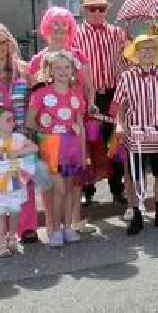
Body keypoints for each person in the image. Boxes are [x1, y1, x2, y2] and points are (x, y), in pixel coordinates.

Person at [113, 34, 158, 234]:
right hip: (136, 134)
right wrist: (119, 125)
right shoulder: (126, 77)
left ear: (156, 54)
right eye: (143, 49)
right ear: (136, 53)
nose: (147, 52)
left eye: (151, 49)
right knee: (136, 176)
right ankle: (137, 215)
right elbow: (121, 107)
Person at [73, 0, 129, 207]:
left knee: (115, 142)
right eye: (92, 8)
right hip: (89, 98)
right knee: (90, 143)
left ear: (108, 10)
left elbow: (128, 62)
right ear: (84, 11)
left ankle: (118, 189)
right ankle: (89, 191)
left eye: (101, 8)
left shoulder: (118, 34)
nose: (97, 13)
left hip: (114, 95)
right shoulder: (75, 36)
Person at [27, 51, 87, 247]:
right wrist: (45, 135)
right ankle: (54, 229)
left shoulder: (76, 95)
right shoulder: (41, 93)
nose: (63, 71)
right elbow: (30, 121)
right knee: (58, 189)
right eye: (58, 67)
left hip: (72, 148)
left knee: (69, 188)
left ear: (72, 70)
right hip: (51, 147)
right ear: (50, 70)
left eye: (66, 67)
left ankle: (68, 227)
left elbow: (80, 125)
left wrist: (83, 153)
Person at [0, 24, 37, 245]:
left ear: (10, 42)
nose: (1, 47)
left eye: (3, 41)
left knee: (24, 183)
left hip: (22, 136)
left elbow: (35, 100)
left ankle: (27, 227)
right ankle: (4, 233)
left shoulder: (23, 70)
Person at [0, 107, 41, 257]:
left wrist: (17, 153)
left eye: (13, 119)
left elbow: (35, 147)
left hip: (15, 183)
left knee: (16, 212)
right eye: (8, 120)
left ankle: (12, 238)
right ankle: (2, 244)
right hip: (1, 185)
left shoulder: (18, 138)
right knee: (1, 214)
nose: (13, 122)